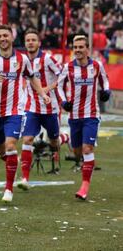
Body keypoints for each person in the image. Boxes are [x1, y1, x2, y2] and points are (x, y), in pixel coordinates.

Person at [0, 25, 50, 202]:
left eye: (5, 35)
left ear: (12, 38)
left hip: (16, 110)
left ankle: (8, 190)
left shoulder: (22, 59)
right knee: (2, 152)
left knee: (10, 145)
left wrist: (43, 94)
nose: (2, 39)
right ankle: (15, 164)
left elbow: (32, 77)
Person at [58, 35, 110, 200]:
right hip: (74, 116)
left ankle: (84, 187)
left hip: (91, 115)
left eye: (81, 47)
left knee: (88, 148)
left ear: (87, 48)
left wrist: (106, 92)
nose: (78, 50)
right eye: (76, 47)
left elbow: (105, 81)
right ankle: (82, 162)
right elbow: (59, 86)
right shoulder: (68, 67)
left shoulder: (96, 65)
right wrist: (64, 102)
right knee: (77, 151)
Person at [18, 29, 63, 190]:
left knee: (54, 141)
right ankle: (24, 178)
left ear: (39, 43)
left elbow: (63, 74)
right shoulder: (22, 60)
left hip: (51, 108)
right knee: (27, 139)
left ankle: (62, 140)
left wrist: (47, 88)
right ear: (25, 43)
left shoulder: (48, 59)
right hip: (32, 108)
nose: (30, 42)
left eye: (33, 40)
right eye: (28, 40)